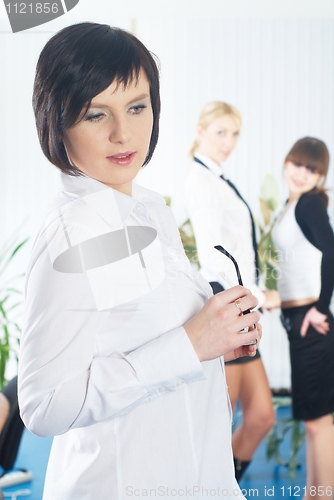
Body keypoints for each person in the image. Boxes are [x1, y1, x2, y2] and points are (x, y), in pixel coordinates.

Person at [17, 23, 262, 499]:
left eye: (136, 106)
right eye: (94, 114)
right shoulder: (73, 232)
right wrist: (188, 345)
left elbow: (141, 333)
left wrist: (215, 341)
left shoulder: (148, 208)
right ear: (56, 120)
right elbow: (44, 406)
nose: (122, 133)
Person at [185, 101, 280, 481]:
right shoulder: (201, 180)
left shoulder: (218, 177)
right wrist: (255, 293)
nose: (229, 141)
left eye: (235, 133)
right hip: (231, 305)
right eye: (221, 132)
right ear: (201, 131)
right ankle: (212, 488)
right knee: (220, 424)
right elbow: (214, 253)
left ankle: (224, 485)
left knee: (261, 416)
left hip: (240, 307)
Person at [272, 137, 334, 500]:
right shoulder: (290, 204)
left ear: (320, 176)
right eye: (297, 164)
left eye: (312, 169)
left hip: (313, 321)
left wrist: (322, 307)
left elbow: (331, 251)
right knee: (315, 423)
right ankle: (314, 495)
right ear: (286, 162)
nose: (301, 173)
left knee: (318, 423)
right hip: (298, 317)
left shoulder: (309, 204)